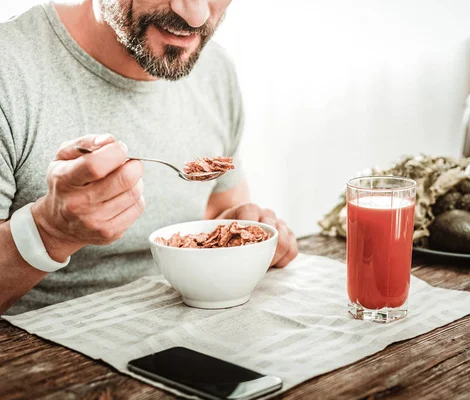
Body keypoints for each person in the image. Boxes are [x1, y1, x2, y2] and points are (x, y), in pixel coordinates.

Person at [0, 0, 298, 315]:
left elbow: (217, 210)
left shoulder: (214, 70)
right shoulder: (10, 69)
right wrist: (49, 231)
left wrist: (239, 237)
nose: (196, 15)